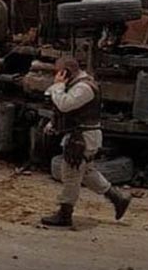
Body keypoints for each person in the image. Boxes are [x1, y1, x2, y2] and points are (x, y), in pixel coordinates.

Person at [41, 57, 131, 227]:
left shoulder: (85, 87)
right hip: (79, 135)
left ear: (65, 71)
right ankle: (117, 198)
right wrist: (53, 123)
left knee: (71, 173)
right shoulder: (76, 84)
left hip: (83, 138)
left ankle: (65, 213)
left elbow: (65, 104)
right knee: (87, 172)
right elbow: (65, 111)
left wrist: (58, 86)